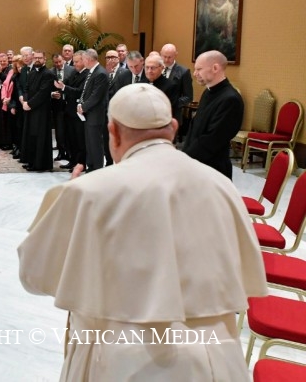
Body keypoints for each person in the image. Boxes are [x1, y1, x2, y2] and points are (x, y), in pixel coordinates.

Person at [18, 83, 267, 381]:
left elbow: (34, 275)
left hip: (117, 356)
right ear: (174, 127)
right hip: (215, 356)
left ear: (113, 131)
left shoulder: (87, 192)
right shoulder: (221, 186)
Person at [182, 50, 244, 179]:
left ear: (215, 68)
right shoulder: (207, 92)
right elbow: (196, 128)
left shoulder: (230, 99)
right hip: (197, 165)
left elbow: (213, 139)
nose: (195, 74)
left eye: (199, 69)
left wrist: (185, 158)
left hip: (213, 170)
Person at [20, 50, 55, 172]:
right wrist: (25, 101)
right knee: (31, 136)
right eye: (36, 58)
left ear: (44, 59)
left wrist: (29, 104)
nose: (37, 60)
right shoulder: (32, 73)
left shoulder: (48, 74)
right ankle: (32, 161)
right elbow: (26, 88)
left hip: (41, 111)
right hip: (30, 109)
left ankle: (40, 164)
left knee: (40, 137)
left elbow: (43, 92)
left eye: (40, 58)